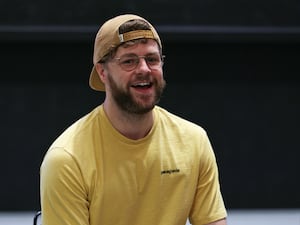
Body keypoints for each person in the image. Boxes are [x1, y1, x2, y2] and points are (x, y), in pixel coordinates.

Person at [40, 14, 227, 225]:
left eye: (152, 59)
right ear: (102, 72)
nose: (144, 69)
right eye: (129, 61)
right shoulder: (67, 159)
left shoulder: (193, 141)